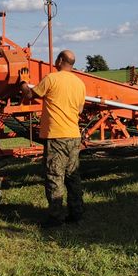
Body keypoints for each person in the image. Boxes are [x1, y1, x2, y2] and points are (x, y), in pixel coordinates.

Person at [20, 50, 86, 228]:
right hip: (74, 136)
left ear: (60, 60)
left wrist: (23, 82)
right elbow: (80, 110)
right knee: (72, 176)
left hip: (57, 136)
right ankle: (76, 214)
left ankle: (56, 218)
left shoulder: (51, 79)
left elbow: (29, 95)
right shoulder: (80, 83)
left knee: (54, 176)